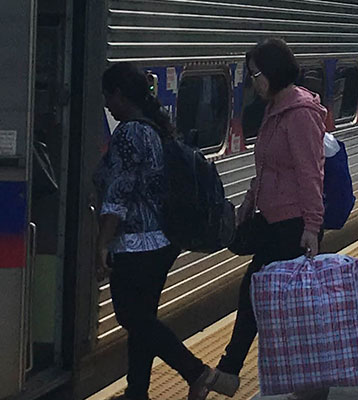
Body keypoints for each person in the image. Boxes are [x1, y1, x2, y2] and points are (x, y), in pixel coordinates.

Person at [96, 62, 226, 400]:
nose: (107, 105)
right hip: (160, 243)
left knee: (133, 318)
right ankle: (137, 392)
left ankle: (197, 373)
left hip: (136, 245)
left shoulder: (128, 133)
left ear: (120, 95)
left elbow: (119, 193)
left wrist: (103, 242)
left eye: (108, 97)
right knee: (142, 321)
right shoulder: (153, 128)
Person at [213, 37, 330, 400]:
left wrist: (312, 227)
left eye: (256, 74)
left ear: (274, 73)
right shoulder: (275, 107)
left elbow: (311, 172)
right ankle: (237, 372)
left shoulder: (299, 113)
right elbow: (265, 167)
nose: (253, 82)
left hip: (293, 225)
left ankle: (238, 372)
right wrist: (248, 203)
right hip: (273, 219)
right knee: (258, 297)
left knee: (268, 299)